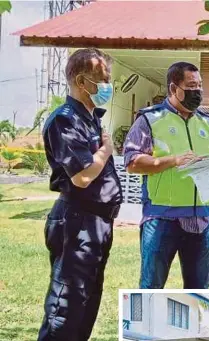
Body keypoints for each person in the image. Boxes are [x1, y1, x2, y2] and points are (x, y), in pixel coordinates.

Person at [38, 48, 122, 340]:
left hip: (97, 225)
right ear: (80, 81)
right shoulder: (65, 119)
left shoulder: (90, 118)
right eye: (102, 79)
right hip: (77, 223)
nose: (107, 86)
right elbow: (83, 176)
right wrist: (106, 150)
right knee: (65, 311)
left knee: (85, 308)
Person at [123, 62, 209, 289]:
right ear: (173, 89)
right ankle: (147, 325)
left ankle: (196, 325)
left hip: (201, 221)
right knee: (151, 288)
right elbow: (132, 162)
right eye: (190, 86)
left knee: (199, 291)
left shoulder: (208, 124)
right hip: (161, 219)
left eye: (199, 86)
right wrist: (173, 161)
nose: (197, 91)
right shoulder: (150, 120)